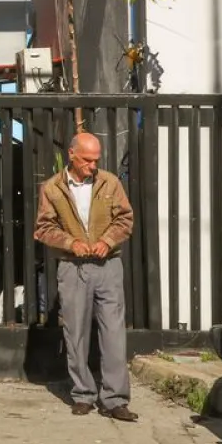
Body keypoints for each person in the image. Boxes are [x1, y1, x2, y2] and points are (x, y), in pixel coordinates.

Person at [34, 132, 139, 422]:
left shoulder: (110, 182)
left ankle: (115, 399)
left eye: (96, 160)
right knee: (76, 333)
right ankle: (83, 394)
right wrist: (71, 244)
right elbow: (44, 227)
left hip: (108, 264)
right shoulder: (53, 188)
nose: (93, 166)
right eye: (87, 160)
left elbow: (125, 219)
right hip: (72, 266)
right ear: (71, 155)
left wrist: (107, 240)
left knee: (114, 333)